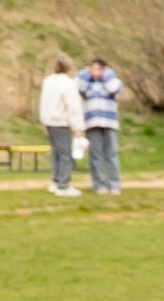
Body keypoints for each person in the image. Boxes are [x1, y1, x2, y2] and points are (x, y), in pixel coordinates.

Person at [76, 56, 125, 194]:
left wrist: (107, 74)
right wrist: (86, 73)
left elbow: (114, 87)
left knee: (111, 154)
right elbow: (78, 84)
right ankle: (98, 184)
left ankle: (114, 184)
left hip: (109, 123)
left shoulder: (110, 81)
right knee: (95, 155)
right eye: (93, 68)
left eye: (98, 68)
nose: (95, 71)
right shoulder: (87, 83)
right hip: (92, 123)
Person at [37, 56, 84, 197]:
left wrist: (44, 119)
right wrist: (78, 126)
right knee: (65, 154)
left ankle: (56, 180)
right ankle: (63, 185)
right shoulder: (68, 83)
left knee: (56, 153)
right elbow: (73, 106)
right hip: (61, 122)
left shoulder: (48, 81)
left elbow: (43, 102)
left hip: (50, 121)